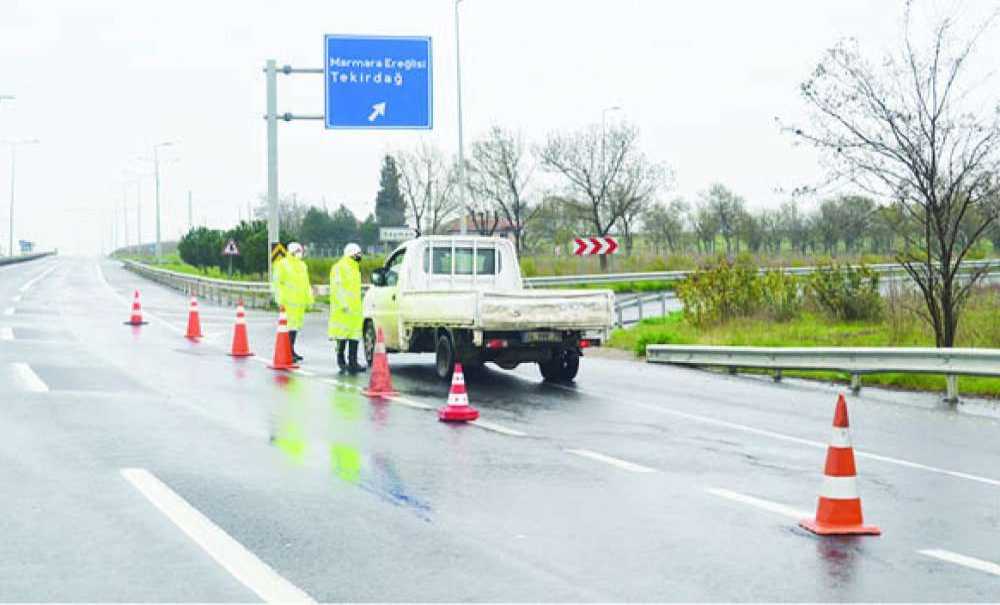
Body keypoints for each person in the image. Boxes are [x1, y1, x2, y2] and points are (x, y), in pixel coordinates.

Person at [271, 242, 313, 362]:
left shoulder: (302, 266)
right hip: (288, 302)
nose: (301, 253)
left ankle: (291, 350)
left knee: (295, 327)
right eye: (299, 251)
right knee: (288, 327)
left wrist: (309, 299)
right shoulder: (283, 264)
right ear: (293, 252)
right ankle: (287, 351)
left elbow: (306, 283)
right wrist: (279, 299)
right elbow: (277, 284)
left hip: (299, 303)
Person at [329, 242, 365, 373]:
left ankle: (353, 362)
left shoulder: (355, 269)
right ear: (351, 254)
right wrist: (343, 304)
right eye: (358, 254)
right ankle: (341, 359)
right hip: (343, 310)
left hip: (354, 310)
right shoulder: (339, 268)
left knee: (354, 335)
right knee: (342, 335)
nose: (360, 257)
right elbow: (337, 287)